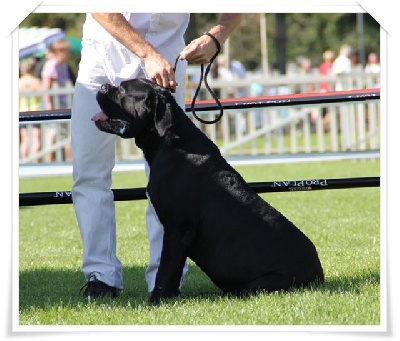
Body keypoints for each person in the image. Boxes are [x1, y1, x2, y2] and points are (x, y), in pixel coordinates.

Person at [71, 13, 243, 300]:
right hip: (102, 58)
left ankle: (165, 281)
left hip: (165, 65)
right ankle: (100, 277)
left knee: (172, 181)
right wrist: (147, 53)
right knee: (89, 174)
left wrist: (217, 37)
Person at [41, 39, 74, 162]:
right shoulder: (51, 65)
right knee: (53, 134)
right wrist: (49, 105)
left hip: (63, 103)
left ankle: (68, 160)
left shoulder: (64, 65)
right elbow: (46, 87)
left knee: (66, 134)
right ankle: (49, 161)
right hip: (54, 104)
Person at [19, 57, 42, 162]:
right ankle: (35, 160)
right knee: (36, 139)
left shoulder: (19, 82)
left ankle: (24, 160)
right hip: (35, 111)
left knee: (25, 140)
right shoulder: (35, 82)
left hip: (22, 111)